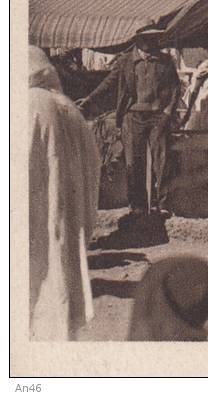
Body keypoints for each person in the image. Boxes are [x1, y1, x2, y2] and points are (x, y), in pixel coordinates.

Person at [29, 47, 102, 340]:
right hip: (67, 217)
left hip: (31, 214)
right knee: (59, 290)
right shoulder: (67, 106)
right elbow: (93, 165)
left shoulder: (29, 105)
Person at [77, 25, 180, 216]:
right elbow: (108, 82)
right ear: (138, 40)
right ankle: (137, 206)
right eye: (147, 39)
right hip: (132, 116)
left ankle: (162, 204)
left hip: (159, 117)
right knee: (134, 161)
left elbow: (175, 88)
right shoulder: (126, 61)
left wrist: (167, 112)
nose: (152, 42)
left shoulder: (166, 61)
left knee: (162, 159)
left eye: (155, 38)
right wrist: (89, 99)